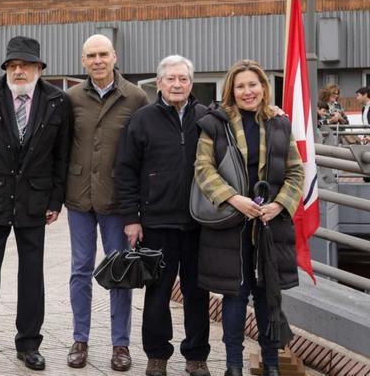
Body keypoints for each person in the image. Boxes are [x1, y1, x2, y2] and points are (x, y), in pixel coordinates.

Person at [0, 36, 72, 372]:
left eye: (25, 65)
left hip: (35, 200)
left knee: (32, 275)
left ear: (39, 68)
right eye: (13, 65)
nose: (19, 70)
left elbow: (62, 156)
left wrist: (56, 199)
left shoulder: (57, 101)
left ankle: (29, 344)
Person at [194, 60, 304, 376]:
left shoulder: (279, 123)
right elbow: (203, 169)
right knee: (235, 297)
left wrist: (280, 204)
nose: (247, 92)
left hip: (270, 225)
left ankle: (271, 365)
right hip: (231, 224)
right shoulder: (215, 124)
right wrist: (234, 199)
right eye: (240, 86)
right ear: (232, 90)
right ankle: (233, 367)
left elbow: (295, 171)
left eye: (253, 85)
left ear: (263, 88)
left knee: (269, 297)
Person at [114, 55, 211, 376]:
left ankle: (196, 356)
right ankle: (157, 355)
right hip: (156, 223)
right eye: (171, 79)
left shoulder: (207, 118)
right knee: (157, 295)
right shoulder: (142, 120)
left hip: (199, 224)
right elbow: (125, 172)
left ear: (191, 83)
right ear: (159, 84)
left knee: (198, 294)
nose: (177, 84)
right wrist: (131, 218)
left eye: (183, 79)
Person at [65, 34, 148, 371]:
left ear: (114, 56)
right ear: (83, 61)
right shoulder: (70, 98)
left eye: (103, 54)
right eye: (91, 56)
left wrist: (138, 209)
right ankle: (79, 338)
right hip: (79, 197)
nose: (97, 61)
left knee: (120, 273)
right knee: (80, 269)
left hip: (118, 201)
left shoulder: (136, 97)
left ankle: (120, 345)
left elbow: (147, 148)